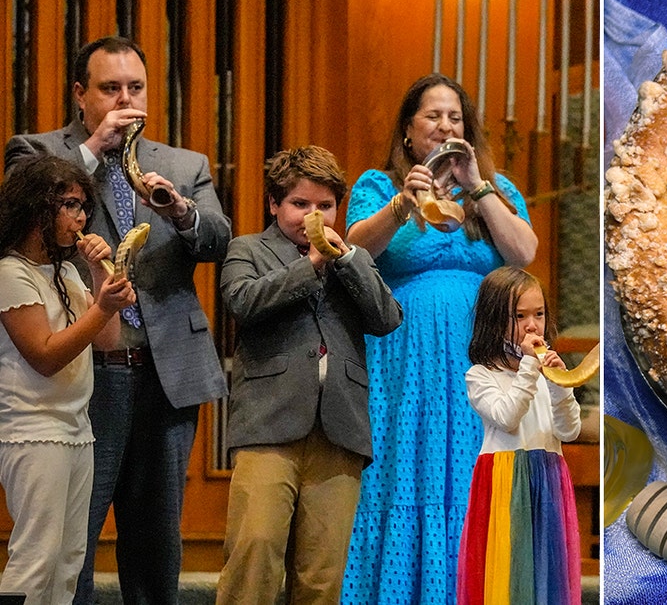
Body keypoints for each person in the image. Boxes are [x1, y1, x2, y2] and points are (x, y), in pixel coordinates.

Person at [4, 35, 232, 604]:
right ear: (81, 95)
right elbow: (19, 210)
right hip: (86, 370)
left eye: (135, 88)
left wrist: (178, 209)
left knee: (156, 543)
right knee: (71, 541)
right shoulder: (37, 150)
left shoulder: (183, 164)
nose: (124, 100)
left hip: (168, 371)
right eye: (110, 89)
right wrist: (90, 154)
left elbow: (218, 240)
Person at [340, 73, 538, 603]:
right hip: (405, 360)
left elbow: (523, 253)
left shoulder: (496, 189)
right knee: (405, 466)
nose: (445, 125)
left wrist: (478, 186)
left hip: (482, 354)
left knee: (475, 468)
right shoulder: (378, 185)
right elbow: (356, 248)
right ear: (409, 131)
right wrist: (405, 202)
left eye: (455, 117)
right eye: (433, 116)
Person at [215, 146, 402, 603]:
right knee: (254, 554)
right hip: (268, 426)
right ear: (274, 204)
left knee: (322, 576)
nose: (312, 215)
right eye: (300, 204)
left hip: (339, 430)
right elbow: (243, 302)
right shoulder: (248, 249)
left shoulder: (350, 257)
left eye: (325, 206)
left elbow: (387, 317)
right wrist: (311, 264)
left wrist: (348, 260)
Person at [0, 156, 136, 604]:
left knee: (68, 561)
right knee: (36, 559)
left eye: (83, 207)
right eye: (70, 205)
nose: (80, 218)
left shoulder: (66, 271)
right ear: (38, 208)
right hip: (34, 431)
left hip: (76, 430)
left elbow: (107, 341)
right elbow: (43, 356)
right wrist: (102, 307)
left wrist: (101, 275)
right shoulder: (9, 272)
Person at [457, 266, 582, 605]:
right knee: (509, 576)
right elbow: (507, 417)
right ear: (495, 320)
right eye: (520, 315)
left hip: (549, 480)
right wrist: (530, 368)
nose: (533, 325)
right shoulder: (480, 375)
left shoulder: (543, 374)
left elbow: (569, 430)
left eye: (539, 314)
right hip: (505, 482)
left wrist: (559, 385)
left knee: (547, 574)